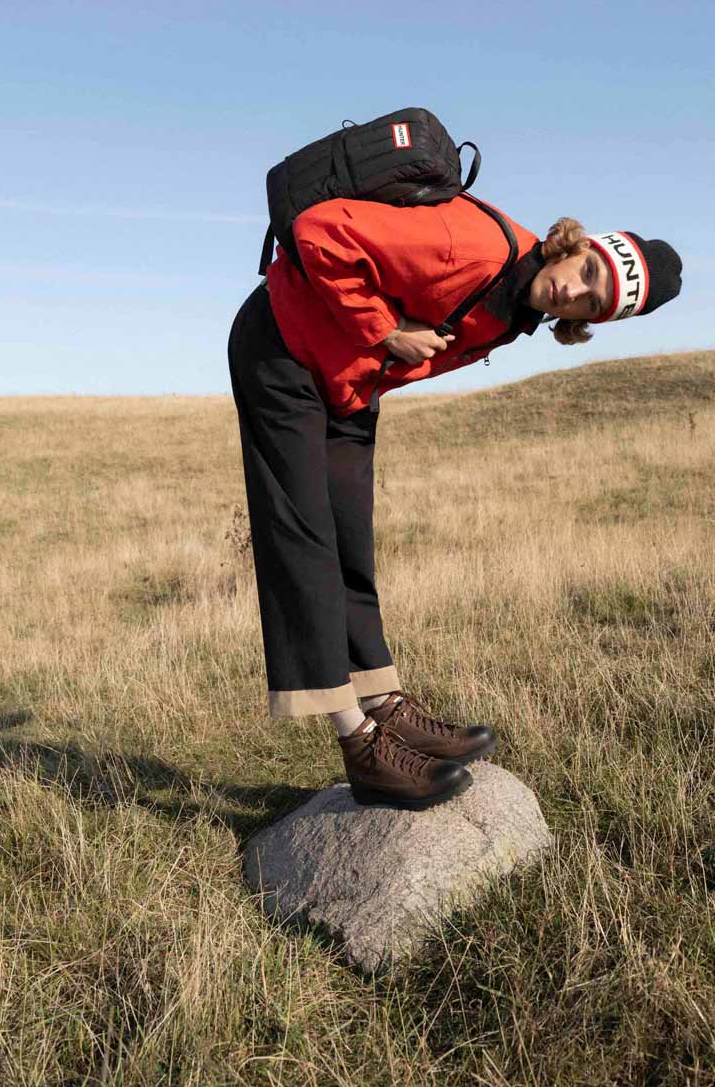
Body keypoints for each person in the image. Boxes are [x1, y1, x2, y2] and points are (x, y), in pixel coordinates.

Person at [227, 195, 682, 810]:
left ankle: (383, 705)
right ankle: (359, 745)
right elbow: (317, 231)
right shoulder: (476, 246)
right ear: (578, 246)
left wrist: (377, 346)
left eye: (593, 303)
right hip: (282, 349)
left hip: (346, 382)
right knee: (305, 541)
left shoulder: (518, 307)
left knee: (351, 544)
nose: (574, 293)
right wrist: (384, 331)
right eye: (589, 272)